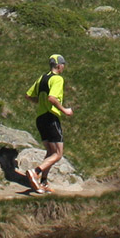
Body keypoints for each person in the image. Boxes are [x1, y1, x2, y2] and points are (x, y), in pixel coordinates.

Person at [23, 53, 72, 191]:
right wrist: (65, 110)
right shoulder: (57, 79)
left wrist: (39, 101)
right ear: (59, 66)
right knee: (58, 153)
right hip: (51, 118)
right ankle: (35, 172)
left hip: (40, 118)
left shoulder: (42, 78)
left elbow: (28, 95)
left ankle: (43, 182)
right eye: (63, 65)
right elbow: (52, 98)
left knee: (50, 152)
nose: (63, 67)